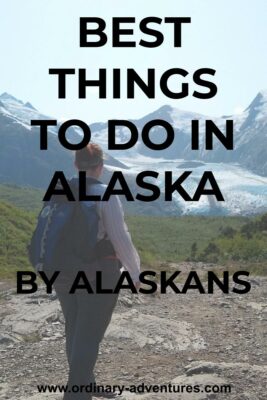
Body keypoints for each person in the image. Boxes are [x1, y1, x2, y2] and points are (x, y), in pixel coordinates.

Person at [54, 142, 140, 400]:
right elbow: (120, 239)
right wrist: (135, 274)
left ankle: (86, 385)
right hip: (98, 275)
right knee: (89, 335)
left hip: (62, 273)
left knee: (75, 329)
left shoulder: (59, 190)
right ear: (101, 167)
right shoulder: (106, 194)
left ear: (75, 165)